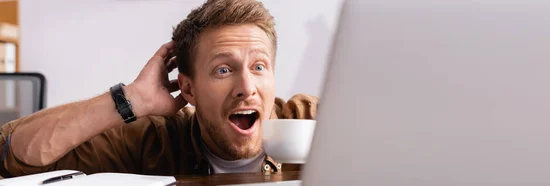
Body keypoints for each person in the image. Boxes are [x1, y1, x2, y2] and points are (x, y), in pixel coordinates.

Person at [0, 0, 318, 177]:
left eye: (259, 67)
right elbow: (11, 154)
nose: (246, 88)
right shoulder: (156, 140)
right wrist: (128, 100)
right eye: (223, 69)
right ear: (189, 90)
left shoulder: (316, 120)